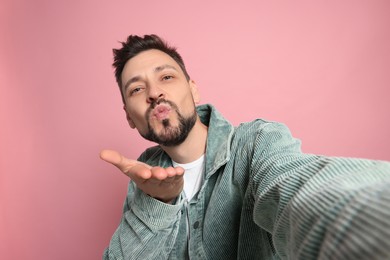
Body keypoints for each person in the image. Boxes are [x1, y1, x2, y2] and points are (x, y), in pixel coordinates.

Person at [100, 34, 390, 259]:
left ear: (193, 88)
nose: (154, 92)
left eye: (166, 77)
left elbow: (302, 190)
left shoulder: (257, 143)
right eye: (137, 89)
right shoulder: (144, 179)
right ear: (129, 116)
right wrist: (156, 204)